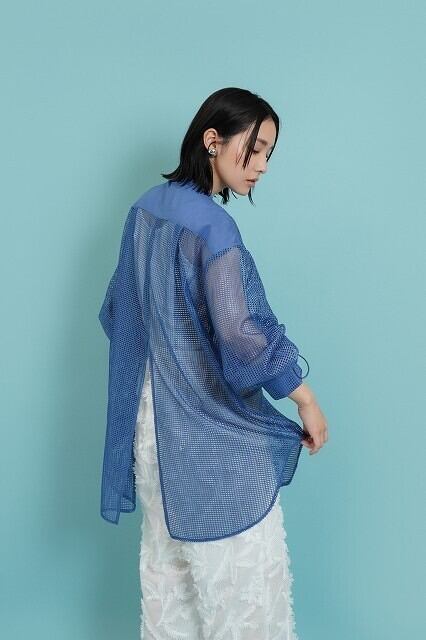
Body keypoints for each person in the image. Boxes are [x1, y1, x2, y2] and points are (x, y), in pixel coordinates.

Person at [98, 87, 328, 640]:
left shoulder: (143, 211)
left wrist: (171, 345)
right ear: (212, 140)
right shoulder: (214, 229)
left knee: (170, 584)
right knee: (246, 593)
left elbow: (118, 312)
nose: (263, 165)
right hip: (206, 442)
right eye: (257, 148)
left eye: (270, 153)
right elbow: (241, 336)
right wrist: (305, 398)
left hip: (150, 433)